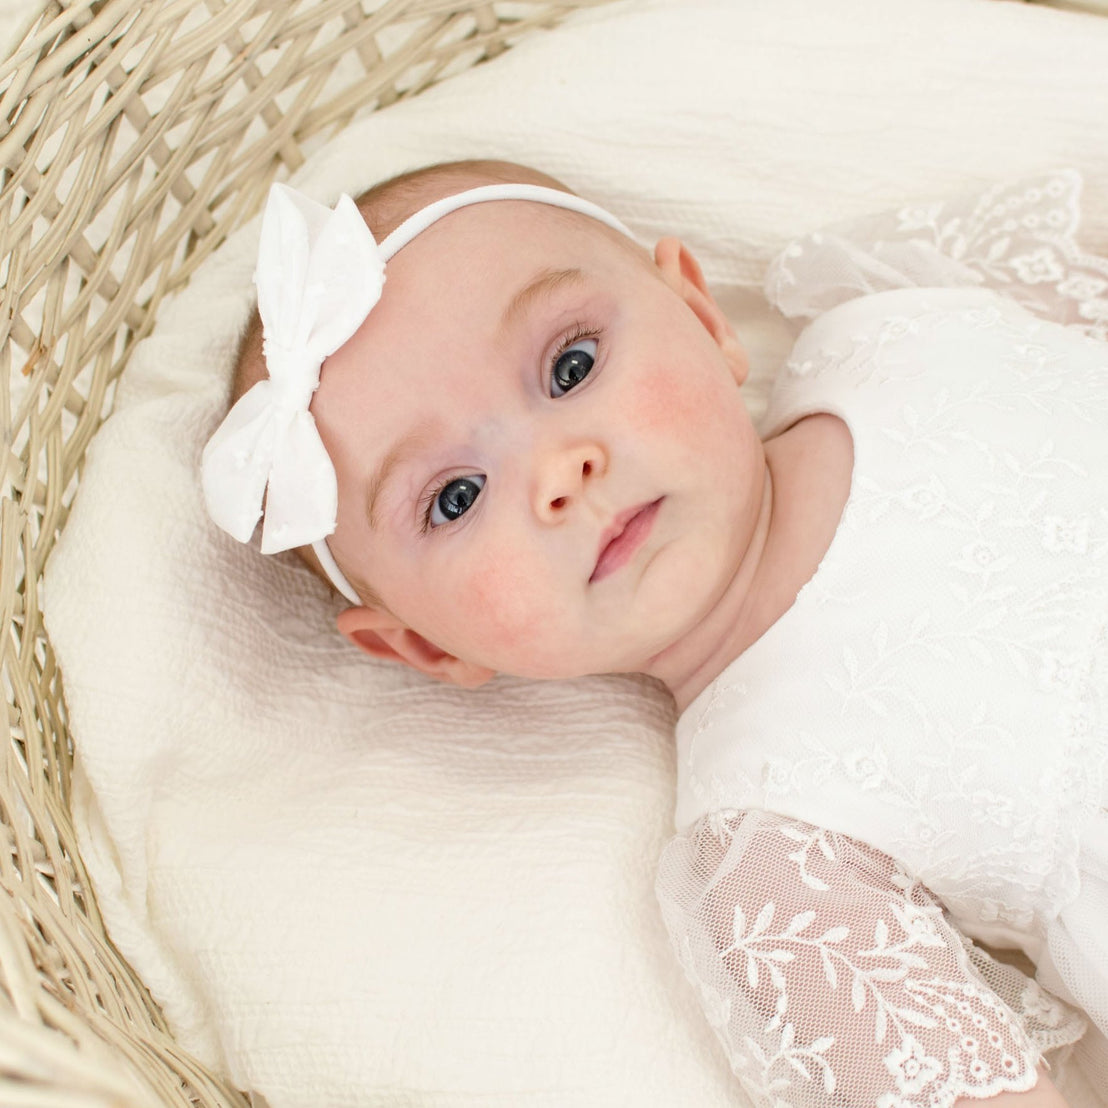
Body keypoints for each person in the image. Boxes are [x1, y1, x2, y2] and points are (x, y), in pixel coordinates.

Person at [201, 159, 1108, 1107]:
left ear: (704, 316)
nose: (562, 469)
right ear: (429, 648)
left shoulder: (895, 309)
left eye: (571, 367)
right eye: (455, 498)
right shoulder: (772, 852)